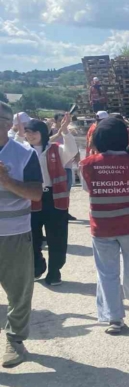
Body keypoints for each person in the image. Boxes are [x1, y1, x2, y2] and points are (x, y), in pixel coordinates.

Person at [80, 117, 129, 335]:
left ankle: (114, 318)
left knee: (107, 272)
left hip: (102, 228)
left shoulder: (87, 165)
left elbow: (87, 190)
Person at [0, 101, 43, 368]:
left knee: (18, 292)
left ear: (6, 125)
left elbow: (36, 193)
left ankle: (14, 340)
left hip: (13, 234)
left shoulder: (24, 154)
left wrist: (6, 181)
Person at [24, 115, 77, 286]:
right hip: (32, 197)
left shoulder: (56, 149)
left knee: (57, 237)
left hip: (54, 197)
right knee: (32, 236)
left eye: (34, 132)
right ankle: (37, 266)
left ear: (42, 133)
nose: (30, 135)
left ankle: (55, 271)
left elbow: (72, 150)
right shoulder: (23, 150)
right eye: (27, 132)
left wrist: (65, 130)